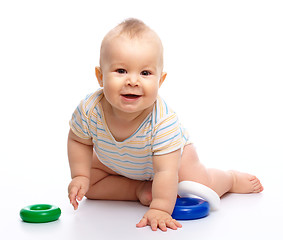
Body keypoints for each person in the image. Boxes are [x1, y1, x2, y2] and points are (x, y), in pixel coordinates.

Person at [67, 18, 263, 232]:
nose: (132, 81)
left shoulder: (162, 122)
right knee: (91, 186)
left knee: (198, 185)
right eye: (121, 71)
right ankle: (138, 189)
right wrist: (80, 175)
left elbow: (166, 172)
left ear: (160, 81)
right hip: (119, 159)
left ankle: (230, 179)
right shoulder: (89, 109)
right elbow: (78, 140)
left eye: (145, 73)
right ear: (100, 76)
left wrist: (160, 207)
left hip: (172, 160)